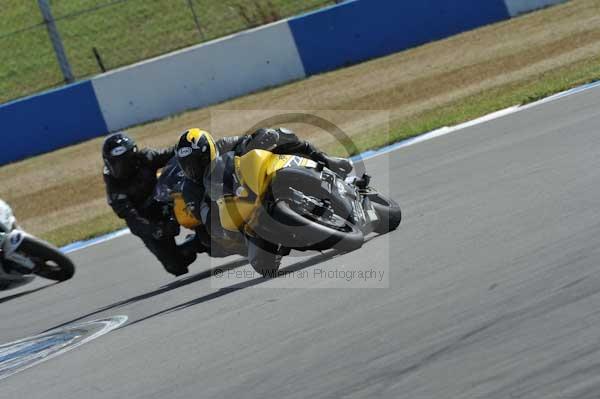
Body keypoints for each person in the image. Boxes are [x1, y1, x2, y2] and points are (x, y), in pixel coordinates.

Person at [175, 127, 353, 271]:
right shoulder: (190, 189)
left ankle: (326, 161)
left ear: (211, 150)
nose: (194, 169)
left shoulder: (224, 145)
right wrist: (220, 229)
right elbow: (205, 217)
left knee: (283, 135)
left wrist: (263, 136)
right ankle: (273, 240)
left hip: (252, 182)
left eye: (199, 161)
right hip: (238, 213)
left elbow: (248, 140)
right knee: (263, 266)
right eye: (188, 166)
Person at [102, 132, 197, 276]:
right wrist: (155, 230)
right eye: (116, 162)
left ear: (133, 155)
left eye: (126, 160)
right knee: (177, 266)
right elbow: (132, 218)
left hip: (165, 201)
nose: (122, 166)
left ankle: (206, 218)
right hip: (147, 220)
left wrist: (190, 148)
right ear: (108, 162)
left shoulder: (146, 157)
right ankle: (196, 242)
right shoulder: (113, 187)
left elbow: (171, 154)